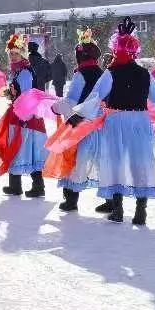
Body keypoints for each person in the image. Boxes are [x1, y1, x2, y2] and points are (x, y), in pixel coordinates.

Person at [75, 17, 155, 225]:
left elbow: (95, 97)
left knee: (114, 162)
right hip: (140, 121)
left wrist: (78, 115)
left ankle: (117, 209)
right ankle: (141, 211)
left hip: (116, 121)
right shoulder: (145, 74)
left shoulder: (111, 72)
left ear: (116, 49)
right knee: (140, 162)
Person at [51, 29, 105, 212]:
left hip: (80, 124)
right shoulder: (101, 73)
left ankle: (71, 199)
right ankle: (112, 198)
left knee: (74, 160)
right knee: (101, 161)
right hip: (98, 124)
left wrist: (55, 107)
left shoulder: (80, 75)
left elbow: (71, 102)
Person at [0, 34, 48, 197]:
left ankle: (36, 186)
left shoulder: (25, 72)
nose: (13, 57)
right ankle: (16, 185)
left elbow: (27, 95)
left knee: (27, 148)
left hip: (26, 116)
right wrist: (10, 93)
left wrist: (24, 116)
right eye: (11, 54)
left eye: (15, 54)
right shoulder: (18, 71)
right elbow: (19, 93)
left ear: (22, 54)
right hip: (18, 113)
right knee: (17, 147)